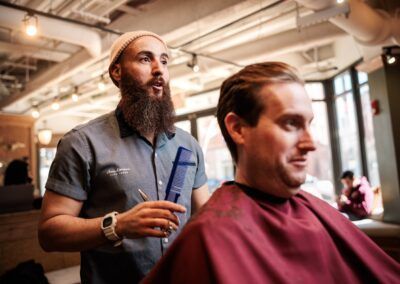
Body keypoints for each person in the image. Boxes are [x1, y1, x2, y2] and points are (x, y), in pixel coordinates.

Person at [144, 62, 400, 283]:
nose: (310, 143)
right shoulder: (208, 238)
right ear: (238, 129)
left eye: (309, 124)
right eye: (291, 123)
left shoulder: (318, 212)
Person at [38, 31, 209, 284]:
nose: (158, 69)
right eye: (144, 59)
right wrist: (118, 225)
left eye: (164, 61)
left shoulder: (189, 145)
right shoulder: (82, 143)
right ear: (117, 72)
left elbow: (203, 217)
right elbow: (49, 233)